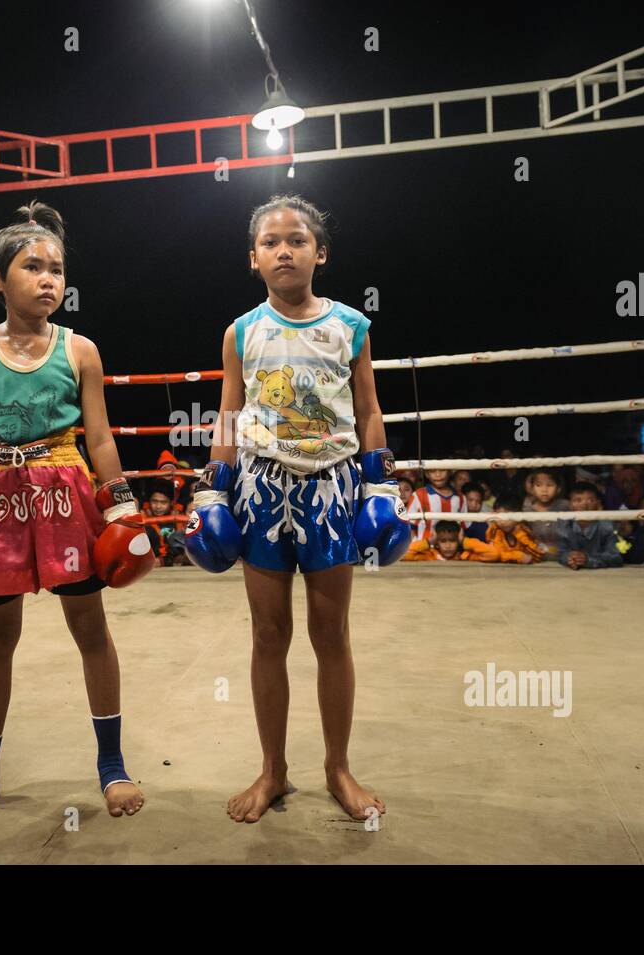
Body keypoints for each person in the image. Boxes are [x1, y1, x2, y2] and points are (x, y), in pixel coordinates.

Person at [0, 200, 150, 835]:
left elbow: (100, 437)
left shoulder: (81, 350)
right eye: (33, 267)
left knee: (90, 629)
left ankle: (112, 765)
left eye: (57, 268)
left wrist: (123, 503)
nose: (50, 279)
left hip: (66, 494)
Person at [186, 193, 409, 823]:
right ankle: (273, 771)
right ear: (253, 258)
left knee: (331, 633)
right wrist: (211, 493)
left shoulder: (350, 326)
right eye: (271, 242)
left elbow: (368, 410)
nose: (285, 250)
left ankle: (338, 768)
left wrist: (382, 487)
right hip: (260, 490)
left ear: (321, 252)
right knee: (267, 634)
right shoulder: (242, 332)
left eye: (298, 240)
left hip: (332, 488)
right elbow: (229, 414)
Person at [558, 482, 623, 570]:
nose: (584, 505)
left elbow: (616, 557)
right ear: (570, 505)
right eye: (578, 500)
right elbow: (561, 553)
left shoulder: (608, 526)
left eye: (590, 500)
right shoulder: (564, 524)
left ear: (598, 504)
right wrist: (570, 558)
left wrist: (588, 559)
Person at [460, 500, 543, 563]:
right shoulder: (495, 529)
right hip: (489, 554)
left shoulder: (523, 530)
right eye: (499, 516)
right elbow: (498, 554)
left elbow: (537, 556)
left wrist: (519, 534)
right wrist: (517, 556)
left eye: (507, 516)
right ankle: (466, 542)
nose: (503, 521)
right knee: (493, 554)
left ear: (518, 516)